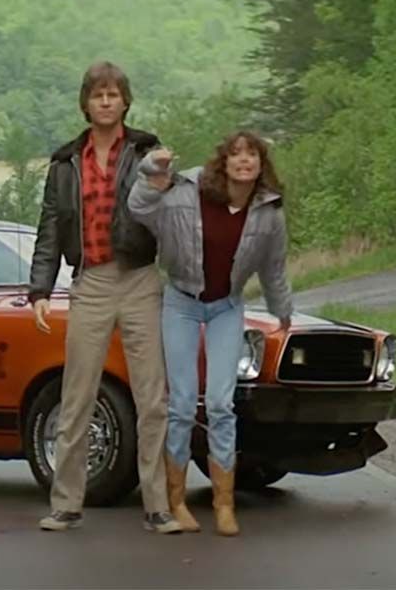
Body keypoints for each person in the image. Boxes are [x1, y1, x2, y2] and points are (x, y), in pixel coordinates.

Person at [28, 61, 181, 534]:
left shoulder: (145, 150)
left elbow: (170, 211)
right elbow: (51, 227)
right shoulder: (63, 163)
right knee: (77, 395)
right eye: (98, 95)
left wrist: (163, 181)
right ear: (86, 103)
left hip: (138, 279)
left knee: (152, 398)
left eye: (114, 94)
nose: (107, 101)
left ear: (126, 101)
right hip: (90, 282)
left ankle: (158, 505)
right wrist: (39, 287)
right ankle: (66, 503)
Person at [127, 131, 293, 536]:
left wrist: (282, 310)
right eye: (236, 154)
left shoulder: (268, 211)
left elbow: (274, 269)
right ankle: (177, 500)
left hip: (227, 306)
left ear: (260, 163)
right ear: (224, 161)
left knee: (221, 403)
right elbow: (138, 209)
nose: (244, 161)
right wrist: (153, 175)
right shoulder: (188, 190)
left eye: (252, 154)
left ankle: (223, 502)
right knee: (182, 405)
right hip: (181, 302)